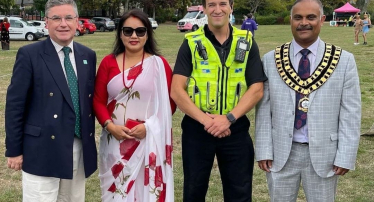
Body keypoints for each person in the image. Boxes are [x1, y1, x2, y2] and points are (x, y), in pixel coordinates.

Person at [255, 0, 361, 201]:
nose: (304, 23)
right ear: (291, 21)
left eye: (311, 17)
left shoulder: (343, 60)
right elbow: (263, 110)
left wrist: (346, 155)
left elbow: (351, 113)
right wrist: (263, 150)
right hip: (281, 153)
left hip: (325, 154)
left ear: (322, 20)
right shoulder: (271, 59)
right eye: (298, 17)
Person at [171, 0, 267, 201]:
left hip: (235, 127)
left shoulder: (246, 41)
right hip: (198, 129)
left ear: (231, 7)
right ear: (204, 9)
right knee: (194, 191)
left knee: (239, 193)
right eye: (211, 4)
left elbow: (256, 88)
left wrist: (228, 118)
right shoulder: (191, 42)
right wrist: (208, 121)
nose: (217, 9)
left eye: (222, 3)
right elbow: (177, 91)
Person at [5, 0, 97, 201]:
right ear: (46, 22)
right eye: (56, 18)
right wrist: (13, 150)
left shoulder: (87, 56)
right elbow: (15, 105)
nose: (63, 24)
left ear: (76, 22)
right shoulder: (29, 54)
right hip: (42, 150)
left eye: (68, 18)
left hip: (77, 148)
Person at [93, 9, 176, 202]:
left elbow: (169, 104)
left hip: (149, 142)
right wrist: (110, 126)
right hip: (115, 141)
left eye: (140, 31)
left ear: (147, 34)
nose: (134, 36)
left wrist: (148, 128)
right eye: (128, 30)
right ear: (120, 33)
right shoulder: (108, 63)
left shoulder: (159, 64)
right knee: (117, 194)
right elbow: (98, 100)